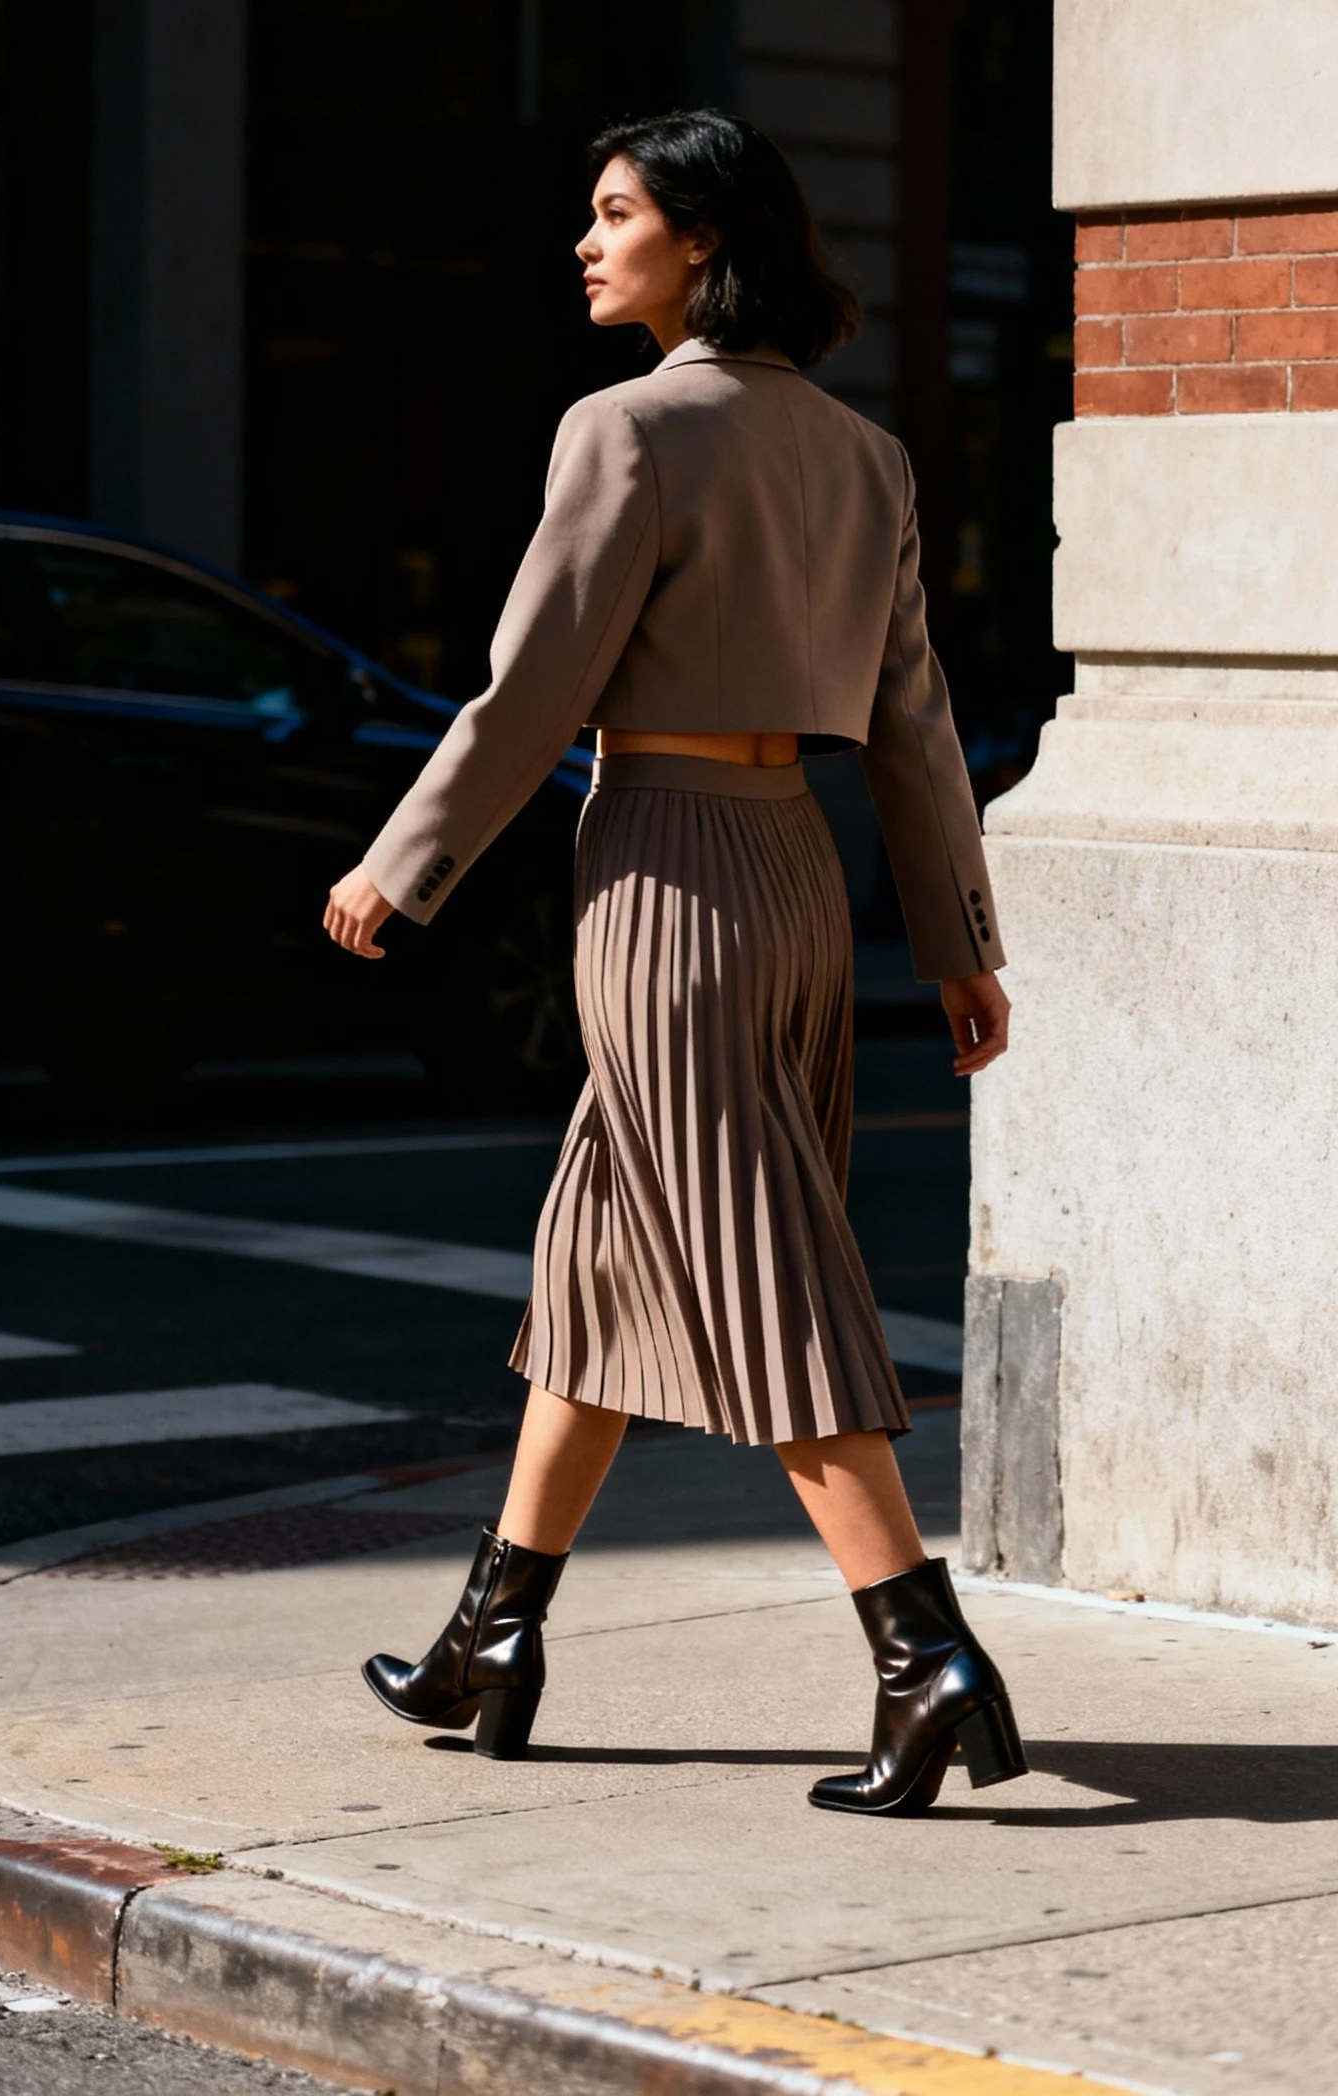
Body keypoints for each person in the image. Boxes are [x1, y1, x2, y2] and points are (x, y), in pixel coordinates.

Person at [323, 108, 1024, 1818]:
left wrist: (400, 866)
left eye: (615, 211)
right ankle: (494, 1637)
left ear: (699, 246)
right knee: (606, 1260)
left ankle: (924, 1656)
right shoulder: (865, 458)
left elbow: (531, 690)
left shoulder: (622, 431)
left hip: (661, 876)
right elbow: (916, 728)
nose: (586, 238)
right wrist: (956, 942)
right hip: (793, 870)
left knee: (754, 1260)